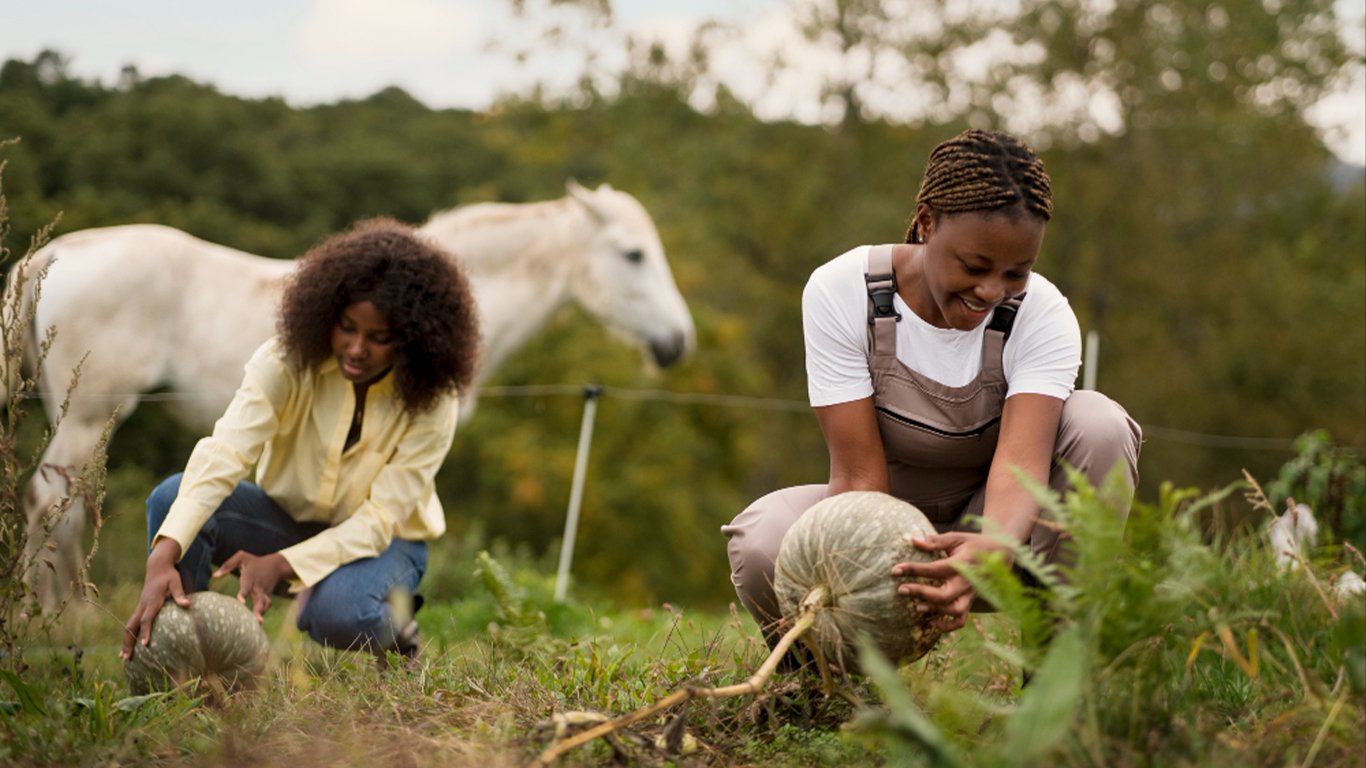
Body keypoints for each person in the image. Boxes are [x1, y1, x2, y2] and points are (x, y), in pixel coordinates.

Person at [723, 129, 1142, 650]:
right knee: (762, 540)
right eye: (974, 267)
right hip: (883, 508)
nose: (992, 292)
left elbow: (1021, 467)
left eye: (1017, 272)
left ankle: (1057, 671)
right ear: (926, 223)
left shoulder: (1043, 314)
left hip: (1002, 530)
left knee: (1099, 424)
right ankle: (824, 687)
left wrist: (992, 547)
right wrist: (882, 584)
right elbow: (857, 479)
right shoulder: (843, 290)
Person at [121, 218, 480, 662]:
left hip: (387, 540)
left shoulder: (433, 398)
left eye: (379, 338)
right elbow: (227, 452)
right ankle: (194, 659)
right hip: (284, 518)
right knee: (171, 498)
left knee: (341, 615)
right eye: (347, 327)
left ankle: (397, 628)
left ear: (412, 339)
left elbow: (380, 520)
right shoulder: (285, 361)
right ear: (326, 313)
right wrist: (165, 551)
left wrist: (283, 563)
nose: (356, 349)